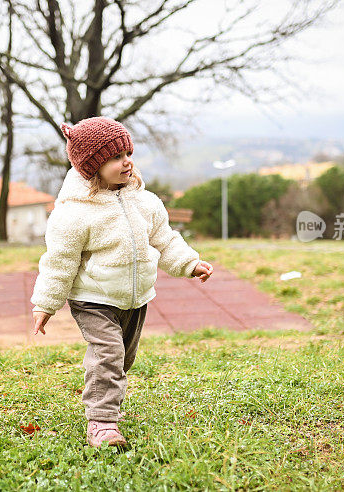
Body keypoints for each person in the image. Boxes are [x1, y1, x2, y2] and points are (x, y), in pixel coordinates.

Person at [30, 116, 214, 448]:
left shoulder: (145, 201)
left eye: (127, 152)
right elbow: (59, 262)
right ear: (92, 167)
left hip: (134, 298)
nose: (126, 161)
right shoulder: (74, 213)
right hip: (93, 298)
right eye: (114, 157)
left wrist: (190, 263)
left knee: (123, 359)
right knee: (108, 353)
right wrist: (45, 304)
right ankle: (101, 425)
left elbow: (165, 240)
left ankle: (107, 404)